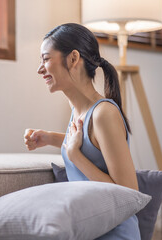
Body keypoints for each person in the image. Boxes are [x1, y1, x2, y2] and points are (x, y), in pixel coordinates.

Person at [23, 23, 140, 239]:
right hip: (87, 230)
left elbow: (128, 194)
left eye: (46, 59)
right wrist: (48, 138)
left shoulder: (103, 113)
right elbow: (91, 144)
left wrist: (74, 156)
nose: (40, 69)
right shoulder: (78, 110)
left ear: (73, 58)